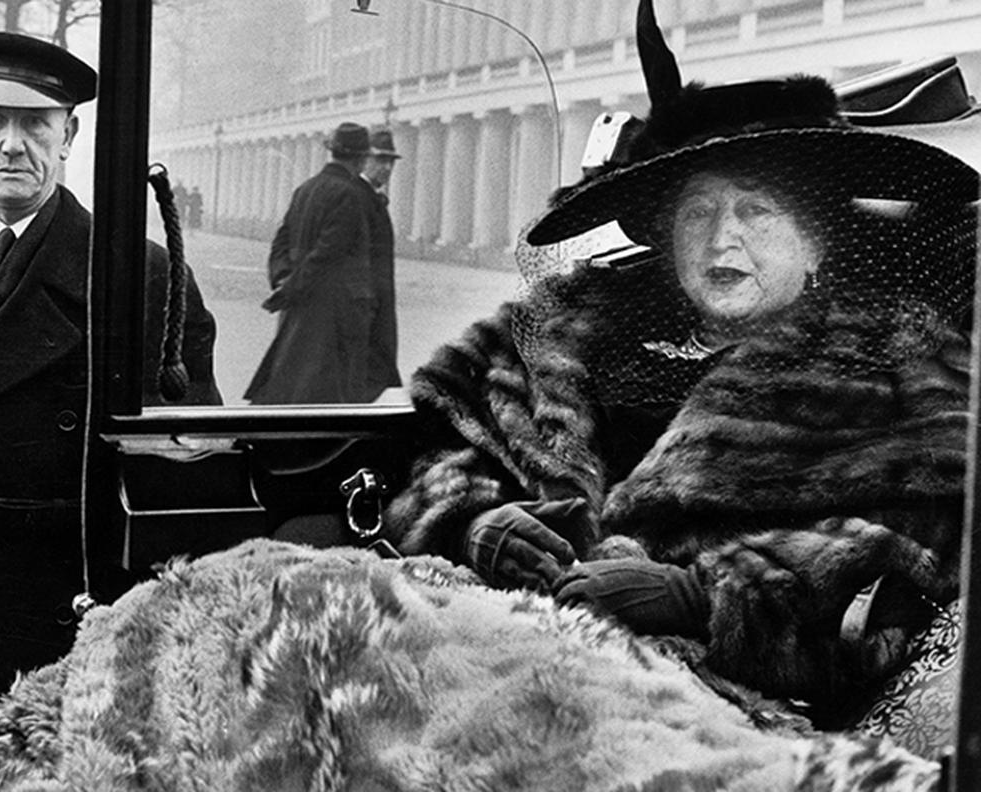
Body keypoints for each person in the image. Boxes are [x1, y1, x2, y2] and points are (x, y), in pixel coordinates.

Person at [385, 0, 978, 734]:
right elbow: (443, 455)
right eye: (698, 214)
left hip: (722, 708)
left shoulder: (896, 359)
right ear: (666, 236)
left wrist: (699, 597)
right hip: (505, 647)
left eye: (757, 211)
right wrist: (475, 524)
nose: (722, 238)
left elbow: (921, 556)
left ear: (819, 241)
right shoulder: (564, 335)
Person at [0, 30, 222, 735]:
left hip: (72, 611)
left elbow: (188, 466)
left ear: (70, 136)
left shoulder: (140, 281)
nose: (12, 143)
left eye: (35, 123)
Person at [244, 121, 375, 404]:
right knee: (322, 391)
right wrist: (291, 288)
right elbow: (327, 254)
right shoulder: (350, 195)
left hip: (297, 306)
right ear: (361, 159)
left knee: (289, 380)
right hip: (331, 309)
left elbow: (280, 242)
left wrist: (282, 279)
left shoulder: (305, 189)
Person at [359, 127, 402, 401]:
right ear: (363, 159)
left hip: (379, 302)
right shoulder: (357, 197)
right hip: (367, 304)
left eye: (390, 162)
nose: (386, 168)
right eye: (380, 160)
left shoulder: (372, 197)